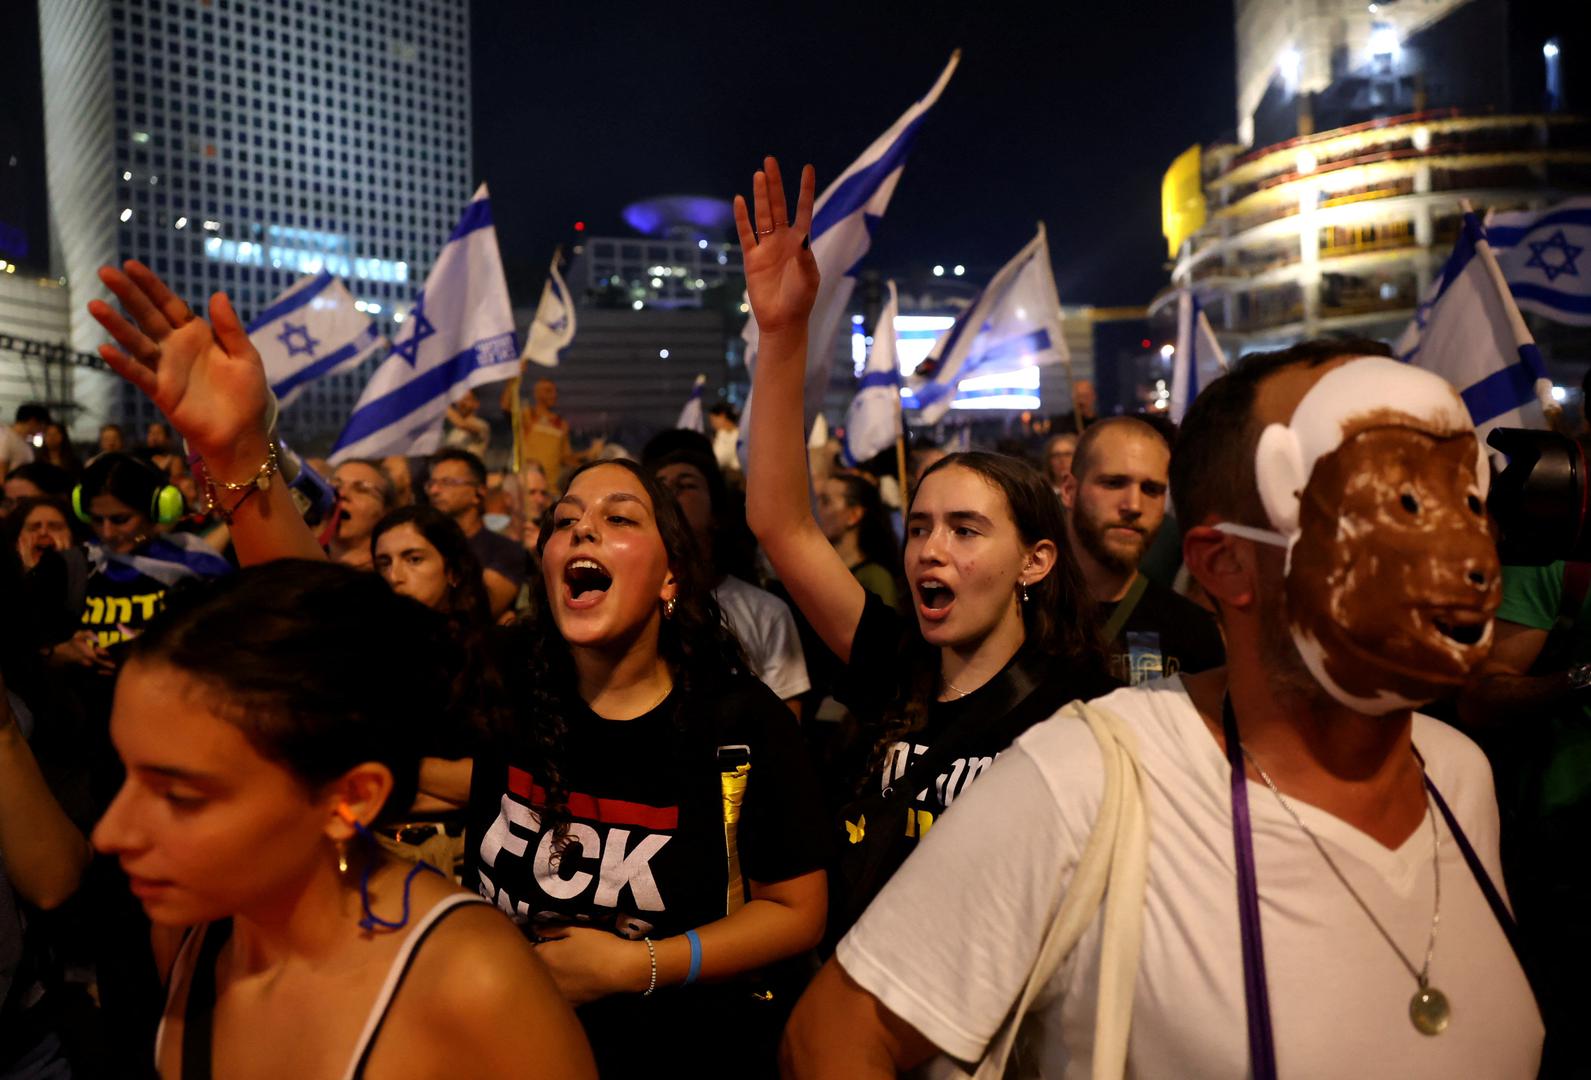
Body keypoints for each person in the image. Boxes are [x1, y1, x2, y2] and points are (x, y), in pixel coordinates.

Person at [88, 255, 828, 1078]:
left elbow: (797, 909)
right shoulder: (502, 672)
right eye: (562, 521)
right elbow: (321, 640)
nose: (580, 532)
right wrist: (237, 453)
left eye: (618, 518)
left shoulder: (737, 720)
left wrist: (639, 965)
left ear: (669, 576)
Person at [784, 346, 1542, 1077]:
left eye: (1462, 498)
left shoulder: (1455, 772)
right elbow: (832, 1040)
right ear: (1225, 562)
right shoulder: (1085, 776)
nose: (1457, 543)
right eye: (1380, 503)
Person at [739, 156, 1113, 937]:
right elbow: (781, 522)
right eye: (918, 528)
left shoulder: (1084, 708)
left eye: (965, 530)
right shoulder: (892, 664)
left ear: (1035, 562)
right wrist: (781, 333)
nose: (928, 552)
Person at [91, 560, 595, 1077]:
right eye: (124, 773)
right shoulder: (193, 932)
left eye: (177, 795)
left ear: (350, 800)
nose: (110, 833)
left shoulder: (473, 983)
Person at [648, 443, 811, 715]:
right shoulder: (633, 605)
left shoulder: (766, 611)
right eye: (660, 485)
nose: (669, 492)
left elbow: (785, 723)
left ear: (716, 516)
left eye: (686, 485)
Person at [1060, 416, 1223, 685]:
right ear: (1069, 490)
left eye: (1151, 489)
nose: (1134, 505)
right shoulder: (1016, 614)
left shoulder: (1193, 631)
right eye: (1113, 483)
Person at [425, 447, 525, 617]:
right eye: (432, 483)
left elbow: (479, 607)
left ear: (478, 492)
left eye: (448, 482)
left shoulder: (504, 550)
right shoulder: (424, 543)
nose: (435, 491)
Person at [815, 472, 902, 608]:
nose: (816, 510)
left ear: (854, 515)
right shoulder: (820, 571)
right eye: (817, 501)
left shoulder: (876, 579)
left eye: (826, 502)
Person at [329, 458, 396, 570]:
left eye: (361, 489)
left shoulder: (391, 574)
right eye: (335, 486)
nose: (341, 494)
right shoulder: (302, 559)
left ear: (386, 511)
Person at [0, 404, 47, 484]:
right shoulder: (6, 438)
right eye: (42, 425)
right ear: (33, 421)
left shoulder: (23, 441)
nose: (43, 430)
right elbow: (1, 475)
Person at [443, 388, 491, 460]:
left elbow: (462, 424)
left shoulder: (481, 425)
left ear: (476, 404)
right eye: (460, 399)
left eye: (466, 399)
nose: (461, 403)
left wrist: (442, 405)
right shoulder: (454, 432)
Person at [708, 402, 741, 475]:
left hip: (734, 479)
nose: (712, 425)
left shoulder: (728, 435)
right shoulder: (739, 433)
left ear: (722, 416)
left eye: (713, 420)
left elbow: (719, 458)